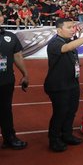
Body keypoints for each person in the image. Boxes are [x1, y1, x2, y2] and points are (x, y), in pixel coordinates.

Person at [44, 18, 83, 152]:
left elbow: (72, 46)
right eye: (69, 27)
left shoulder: (69, 41)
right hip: (58, 85)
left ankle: (67, 134)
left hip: (72, 83)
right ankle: (54, 139)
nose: (73, 29)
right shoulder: (55, 43)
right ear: (59, 30)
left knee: (71, 112)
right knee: (60, 113)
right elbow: (67, 48)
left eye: (74, 26)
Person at [0, 11, 29, 150]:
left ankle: (9, 138)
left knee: (6, 110)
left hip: (6, 81)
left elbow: (17, 56)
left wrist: (25, 74)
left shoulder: (10, 36)